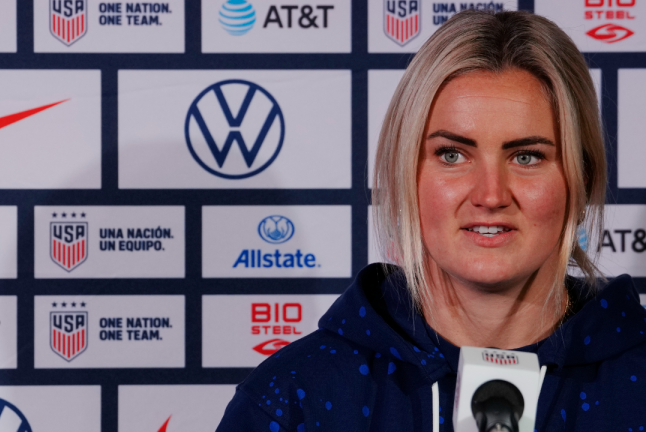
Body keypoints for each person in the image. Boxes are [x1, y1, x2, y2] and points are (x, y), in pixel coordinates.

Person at [216, 9, 646, 432]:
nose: (490, 195)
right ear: (405, 172)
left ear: (581, 176)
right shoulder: (294, 396)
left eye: (527, 156)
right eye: (452, 155)